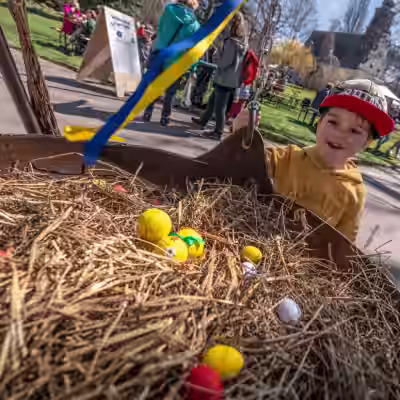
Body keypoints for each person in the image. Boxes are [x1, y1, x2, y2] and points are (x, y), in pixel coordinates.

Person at [235, 80, 394, 242]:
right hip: (256, 239)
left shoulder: (354, 193)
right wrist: (242, 135)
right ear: (318, 124)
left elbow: (344, 245)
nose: (340, 134)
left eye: (354, 131)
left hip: (304, 257)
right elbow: (242, 164)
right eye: (333, 122)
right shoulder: (286, 158)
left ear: (367, 142)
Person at [143, 0, 200, 126]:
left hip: (161, 53)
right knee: (170, 92)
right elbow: (193, 50)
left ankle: (148, 112)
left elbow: (160, 28)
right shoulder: (195, 26)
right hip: (176, 61)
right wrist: (193, 68)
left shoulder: (169, 10)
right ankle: (165, 117)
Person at [192, 12, 248, 140]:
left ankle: (218, 132)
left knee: (219, 108)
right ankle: (203, 121)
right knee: (212, 101)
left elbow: (224, 63)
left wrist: (216, 57)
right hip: (232, 79)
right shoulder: (242, 42)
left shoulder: (231, 42)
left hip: (224, 78)